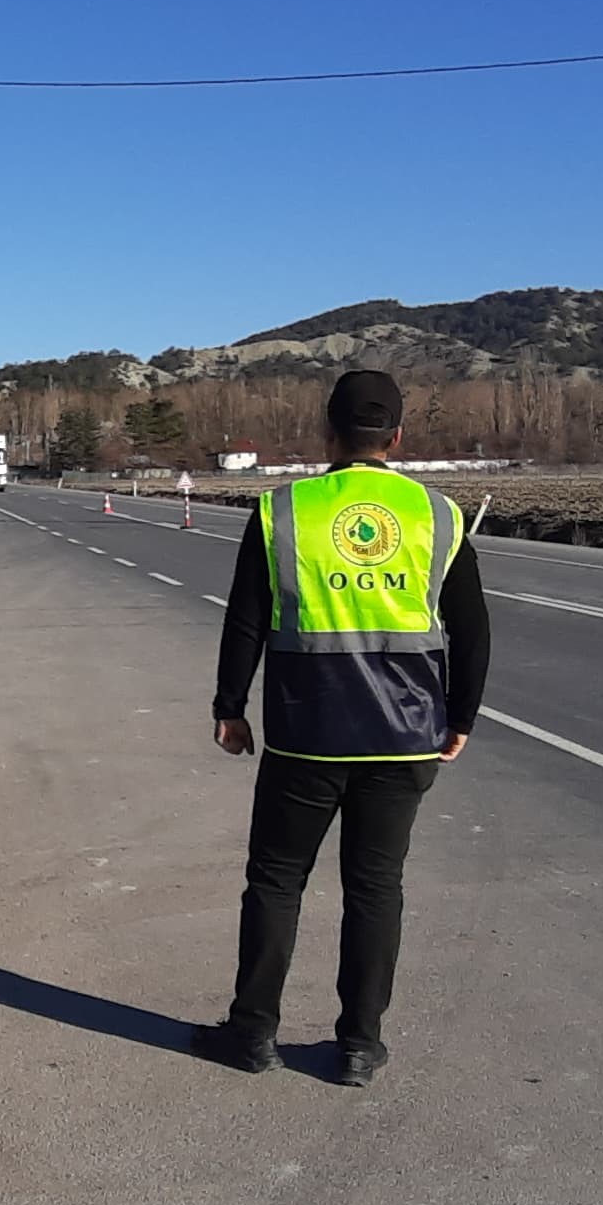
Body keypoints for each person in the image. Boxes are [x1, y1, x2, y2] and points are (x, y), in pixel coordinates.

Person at [191, 369, 489, 1088]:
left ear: (328, 432)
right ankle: (357, 1044)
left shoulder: (284, 512)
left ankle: (252, 1033)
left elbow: (246, 619)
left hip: (307, 734)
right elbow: (472, 630)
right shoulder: (437, 515)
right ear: (397, 436)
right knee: (375, 888)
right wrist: (462, 717)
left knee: (275, 881)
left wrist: (230, 707)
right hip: (406, 736)